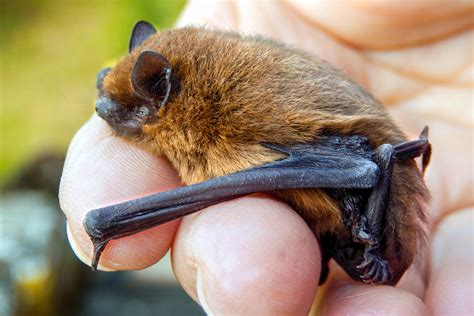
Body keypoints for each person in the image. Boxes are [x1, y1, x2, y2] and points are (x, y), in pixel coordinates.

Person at [59, 1, 473, 314]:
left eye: (137, 109)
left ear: (164, 95)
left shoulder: (225, 127)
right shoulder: (208, 108)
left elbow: (361, 167)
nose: (108, 115)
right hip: (342, 162)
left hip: (367, 177)